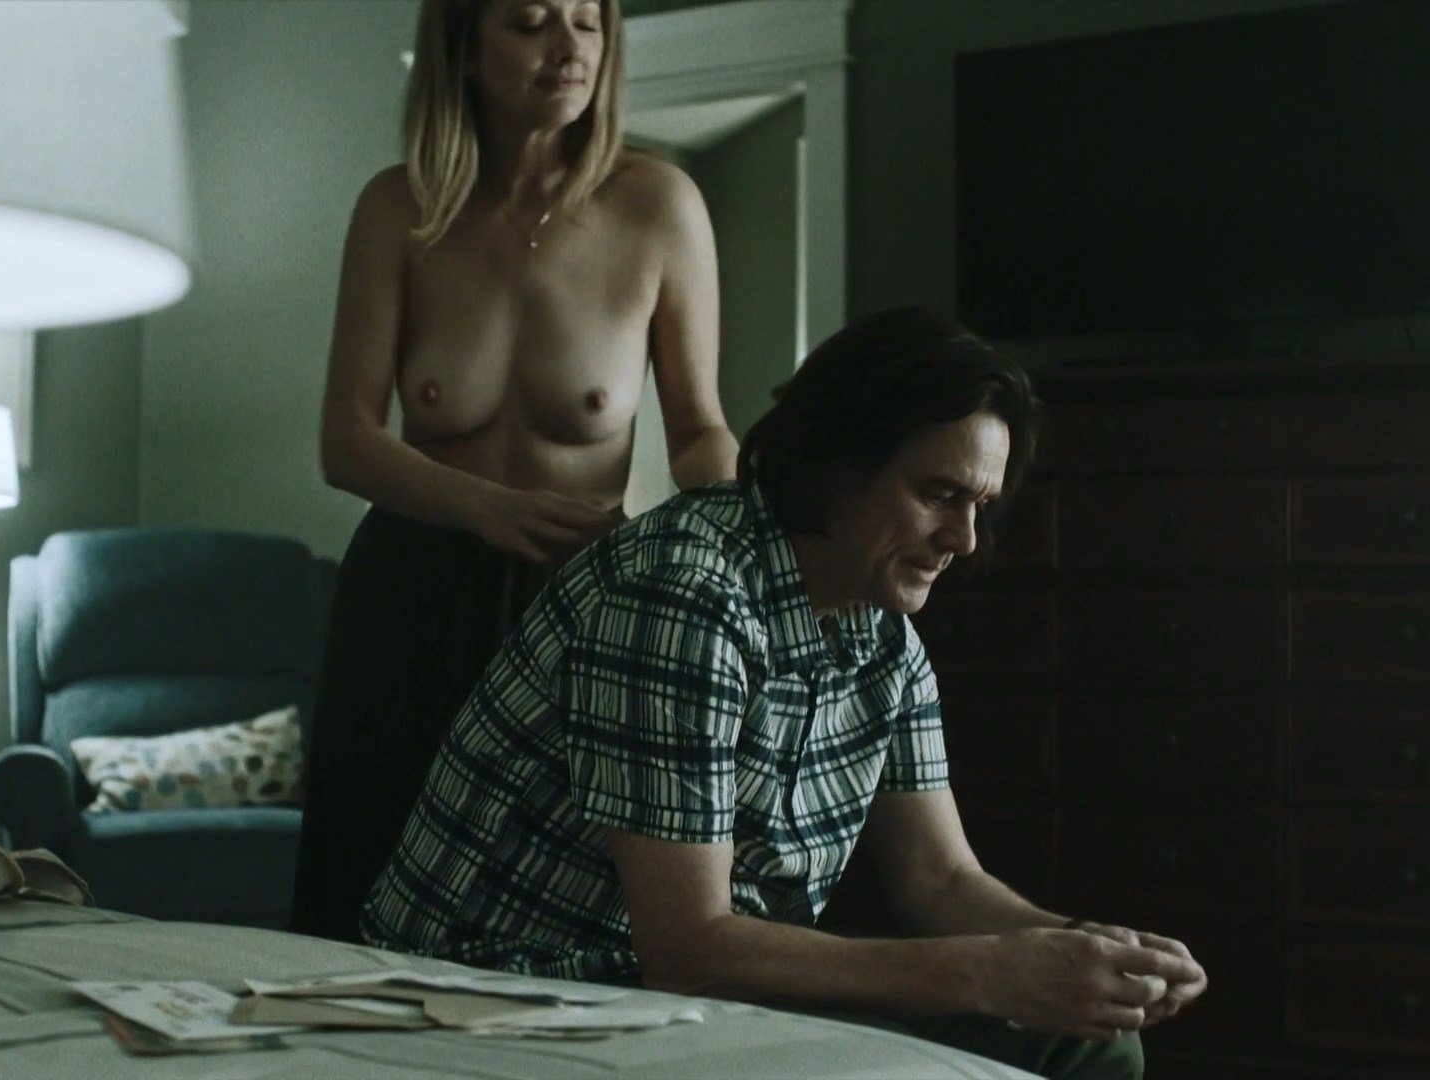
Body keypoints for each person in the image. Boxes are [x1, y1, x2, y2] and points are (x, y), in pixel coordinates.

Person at [361, 307, 1207, 1080]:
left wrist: (1087, 951)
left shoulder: (884, 635)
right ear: (840, 461)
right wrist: (988, 972)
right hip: (510, 987)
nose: (964, 539)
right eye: (939, 495)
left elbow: (941, 881)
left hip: (680, 982)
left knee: (1092, 1039)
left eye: (980, 505)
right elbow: (688, 948)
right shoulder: (682, 595)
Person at [291, 0, 739, 944]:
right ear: (464, 45)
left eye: (587, 21)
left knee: (543, 902)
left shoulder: (659, 205)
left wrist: (737, 527)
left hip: (572, 599)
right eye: (532, 21)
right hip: (408, 592)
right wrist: (483, 506)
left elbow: (700, 428)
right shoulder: (399, 207)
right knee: (361, 881)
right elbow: (347, 440)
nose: (568, 47)